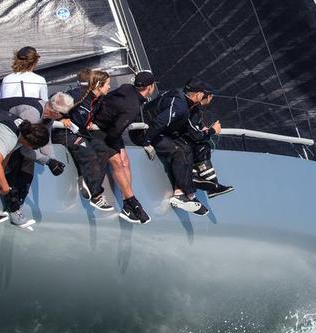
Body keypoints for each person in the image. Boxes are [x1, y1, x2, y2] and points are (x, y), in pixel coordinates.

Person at [137, 80, 225, 216]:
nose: (211, 98)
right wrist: (146, 142)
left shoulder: (189, 103)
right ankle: (184, 192)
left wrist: (203, 130)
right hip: (146, 131)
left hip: (162, 131)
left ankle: (185, 192)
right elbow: (159, 122)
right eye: (209, 95)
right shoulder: (180, 105)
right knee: (178, 150)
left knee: (188, 146)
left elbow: (192, 132)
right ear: (199, 95)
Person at [91, 71, 155, 224]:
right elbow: (114, 133)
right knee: (119, 162)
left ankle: (127, 203)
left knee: (126, 161)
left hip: (108, 129)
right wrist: (117, 150)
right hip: (98, 130)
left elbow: (107, 101)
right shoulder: (132, 107)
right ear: (150, 87)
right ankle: (133, 203)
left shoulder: (127, 87)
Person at [57, 69, 113, 211]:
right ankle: (96, 195)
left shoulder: (98, 100)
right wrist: (61, 118)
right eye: (107, 84)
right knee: (88, 153)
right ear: (99, 85)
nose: (109, 87)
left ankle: (88, 182)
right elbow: (53, 102)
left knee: (103, 150)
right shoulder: (79, 95)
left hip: (80, 133)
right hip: (63, 133)